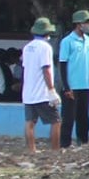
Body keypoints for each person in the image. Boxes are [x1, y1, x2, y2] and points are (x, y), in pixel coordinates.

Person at [21, 18, 62, 153]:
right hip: (42, 93)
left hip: (28, 92)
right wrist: (51, 90)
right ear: (47, 33)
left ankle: (31, 151)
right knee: (56, 121)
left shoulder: (27, 47)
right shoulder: (45, 47)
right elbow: (46, 69)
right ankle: (55, 150)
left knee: (30, 122)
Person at [56, 10, 89, 148]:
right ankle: (64, 145)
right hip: (72, 85)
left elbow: (85, 61)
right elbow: (63, 64)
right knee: (68, 118)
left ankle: (83, 142)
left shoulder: (88, 40)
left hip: (84, 84)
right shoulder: (67, 41)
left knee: (83, 117)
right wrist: (66, 87)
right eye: (87, 22)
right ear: (78, 24)